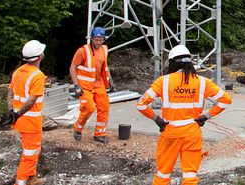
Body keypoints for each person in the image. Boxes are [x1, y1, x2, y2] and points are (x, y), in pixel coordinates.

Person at [137, 45, 232, 185]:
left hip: (170, 133)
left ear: (172, 62)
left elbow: (141, 105)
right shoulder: (202, 82)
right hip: (192, 133)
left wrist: (157, 119)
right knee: (190, 176)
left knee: (163, 174)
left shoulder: (164, 81)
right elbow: (226, 100)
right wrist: (206, 116)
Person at [7, 40, 46, 185]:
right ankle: (21, 182)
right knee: (30, 154)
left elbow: (10, 93)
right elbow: (31, 101)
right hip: (31, 122)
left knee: (32, 151)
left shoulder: (18, 71)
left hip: (21, 120)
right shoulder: (38, 75)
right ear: (40, 56)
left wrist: (12, 111)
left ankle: (31, 177)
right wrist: (17, 114)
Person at [69, 26, 115, 144]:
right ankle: (78, 127)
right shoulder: (83, 51)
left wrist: (110, 80)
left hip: (99, 83)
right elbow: (73, 67)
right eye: (96, 39)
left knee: (104, 107)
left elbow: (104, 66)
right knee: (89, 108)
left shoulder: (104, 49)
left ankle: (100, 133)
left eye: (101, 40)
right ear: (92, 39)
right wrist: (76, 85)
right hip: (85, 85)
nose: (99, 42)